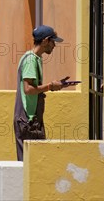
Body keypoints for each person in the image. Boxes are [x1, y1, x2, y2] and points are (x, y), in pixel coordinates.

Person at [13, 25, 73, 161]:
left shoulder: (34, 58)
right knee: (31, 164)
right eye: (53, 42)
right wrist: (51, 86)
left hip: (30, 120)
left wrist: (57, 85)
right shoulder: (30, 60)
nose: (54, 46)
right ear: (46, 40)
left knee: (33, 163)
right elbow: (28, 90)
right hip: (28, 120)